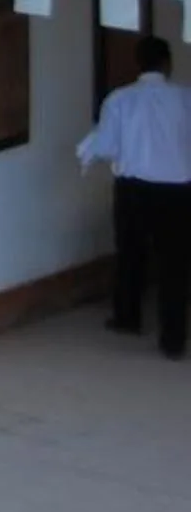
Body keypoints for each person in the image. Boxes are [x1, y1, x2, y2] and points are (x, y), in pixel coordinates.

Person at [76, 34, 191, 358]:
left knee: (130, 255)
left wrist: (86, 152)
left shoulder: (119, 99)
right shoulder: (185, 98)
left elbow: (107, 145)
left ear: (137, 64)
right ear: (168, 64)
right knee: (175, 264)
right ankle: (174, 338)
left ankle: (128, 317)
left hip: (134, 188)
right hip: (178, 189)